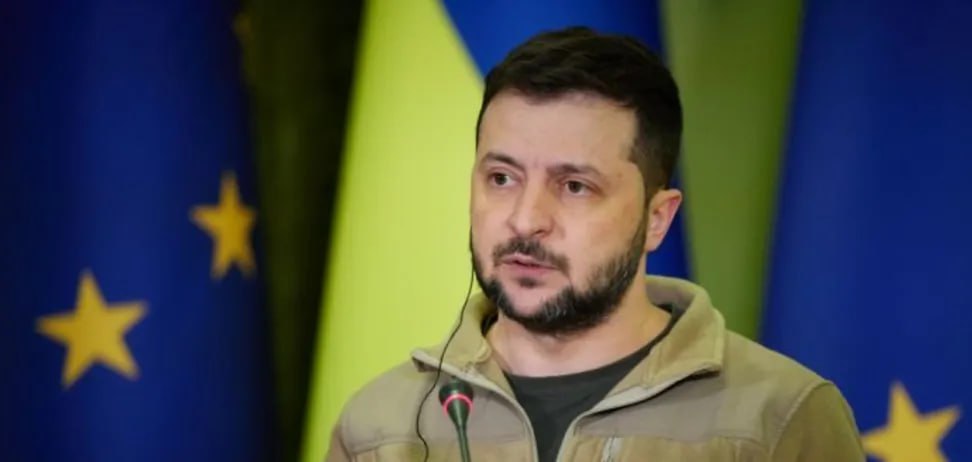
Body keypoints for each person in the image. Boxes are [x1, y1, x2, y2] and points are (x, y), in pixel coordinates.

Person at [325, 26, 864, 461]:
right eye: (502, 178)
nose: (526, 220)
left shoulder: (778, 419)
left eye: (575, 186)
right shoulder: (382, 428)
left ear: (657, 218)